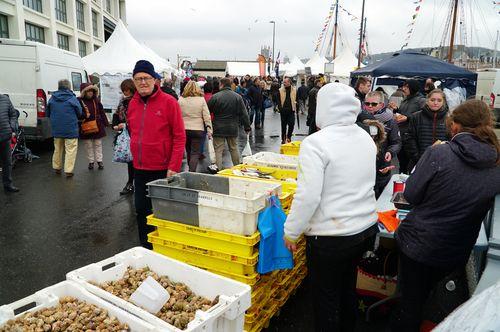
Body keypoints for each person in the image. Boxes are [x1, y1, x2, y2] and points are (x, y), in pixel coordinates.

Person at [392, 100, 500, 332]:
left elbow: (410, 194)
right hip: (456, 249)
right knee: (433, 299)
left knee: (410, 304)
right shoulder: (495, 162)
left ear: (455, 127)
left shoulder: (440, 153)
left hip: (419, 244)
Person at [284, 83, 378, 332]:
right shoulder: (365, 136)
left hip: (331, 237)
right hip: (365, 228)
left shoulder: (316, 143)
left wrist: (291, 231)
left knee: (325, 298)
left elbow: (308, 195)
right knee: (347, 287)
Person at [127, 60, 186, 248]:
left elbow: (179, 137)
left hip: (163, 169)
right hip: (140, 168)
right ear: (133, 81)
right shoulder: (132, 104)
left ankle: (167, 248)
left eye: (146, 78)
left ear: (155, 80)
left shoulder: (169, 103)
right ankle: (145, 248)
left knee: (165, 213)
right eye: (138, 79)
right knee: (141, 210)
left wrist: (173, 166)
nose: (142, 82)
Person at [364, 91, 401, 198]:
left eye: (374, 104)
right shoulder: (359, 119)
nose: (370, 106)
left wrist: (390, 152)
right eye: (367, 103)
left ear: (381, 105)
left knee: (380, 196)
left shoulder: (390, 121)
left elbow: (396, 142)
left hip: (381, 164)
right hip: (363, 164)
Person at [207, 77, 251, 170]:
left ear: (222, 85)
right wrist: (247, 127)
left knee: (218, 150)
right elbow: (244, 113)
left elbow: (207, 111)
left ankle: (218, 170)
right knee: (234, 148)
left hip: (218, 127)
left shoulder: (215, 97)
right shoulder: (237, 97)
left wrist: (208, 126)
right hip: (232, 127)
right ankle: (237, 167)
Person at [388, 79, 426, 174]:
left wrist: (408, 118)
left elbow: (424, 114)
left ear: (413, 88)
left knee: (411, 164)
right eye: (404, 86)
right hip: (402, 135)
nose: (403, 88)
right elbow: (402, 114)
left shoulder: (421, 100)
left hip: (412, 136)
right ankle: (402, 181)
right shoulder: (406, 99)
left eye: (406, 86)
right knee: (402, 163)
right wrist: (396, 110)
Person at [47, 79, 83, 178]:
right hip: (70, 128)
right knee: (70, 150)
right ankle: (68, 170)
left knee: (57, 148)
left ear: (59, 87)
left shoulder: (52, 98)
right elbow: (79, 113)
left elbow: (48, 113)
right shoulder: (72, 98)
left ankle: (57, 167)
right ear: (69, 87)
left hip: (57, 128)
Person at [406, 89, 449, 167]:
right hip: (419, 161)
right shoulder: (416, 116)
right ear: (427, 100)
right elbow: (410, 138)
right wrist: (416, 156)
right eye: (432, 100)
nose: (435, 103)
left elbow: (452, 140)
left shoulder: (449, 118)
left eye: (439, 100)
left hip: (442, 161)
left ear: (444, 102)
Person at [178, 81, 212, 172]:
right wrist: (209, 128)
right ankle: (192, 171)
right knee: (195, 153)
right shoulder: (201, 100)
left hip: (184, 129)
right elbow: (206, 115)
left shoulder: (181, 99)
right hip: (198, 129)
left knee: (188, 151)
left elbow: (177, 115)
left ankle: (190, 168)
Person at [112, 79, 135, 195]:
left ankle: (135, 183)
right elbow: (116, 114)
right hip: (125, 135)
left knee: (136, 160)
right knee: (130, 160)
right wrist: (115, 125)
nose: (125, 92)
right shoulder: (122, 101)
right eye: (124, 90)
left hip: (136, 134)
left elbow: (139, 119)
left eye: (127, 90)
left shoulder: (137, 100)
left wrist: (126, 125)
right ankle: (130, 183)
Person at [78, 83, 108, 170]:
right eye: (88, 91)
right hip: (85, 126)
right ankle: (91, 162)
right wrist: (84, 115)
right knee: (88, 145)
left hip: (97, 125)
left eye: (92, 90)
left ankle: (99, 161)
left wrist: (105, 123)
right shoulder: (79, 101)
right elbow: (78, 113)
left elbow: (102, 111)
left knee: (98, 144)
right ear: (84, 92)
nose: (90, 92)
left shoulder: (96, 100)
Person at [0, 94, 19, 192]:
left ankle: (8, 185)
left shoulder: (5, 99)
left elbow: (13, 114)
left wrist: (12, 128)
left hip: (5, 136)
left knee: (7, 162)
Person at [278, 77, 297, 143]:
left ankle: (289, 136)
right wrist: (280, 109)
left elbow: (296, 99)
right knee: (283, 125)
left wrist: (296, 107)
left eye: (285, 82)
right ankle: (283, 138)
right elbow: (278, 100)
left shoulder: (294, 90)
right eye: (283, 82)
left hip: (291, 110)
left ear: (289, 82)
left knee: (291, 124)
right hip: (283, 111)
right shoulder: (280, 90)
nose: (284, 83)